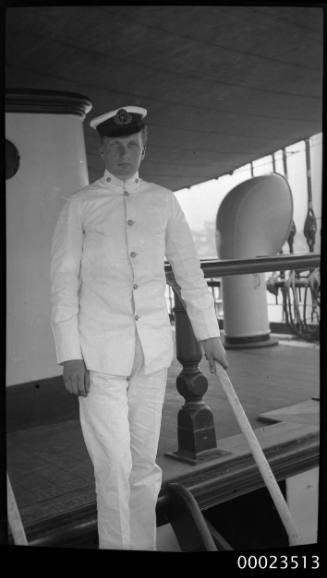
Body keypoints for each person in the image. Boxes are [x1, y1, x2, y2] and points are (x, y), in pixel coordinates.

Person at [50, 105, 228, 551]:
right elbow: (62, 282)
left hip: (150, 357)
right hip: (98, 361)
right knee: (112, 469)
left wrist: (209, 333)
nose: (124, 153)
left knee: (144, 467)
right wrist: (69, 353)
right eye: (115, 146)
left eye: (132, 146)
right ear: (102, 150)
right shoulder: (80, 205)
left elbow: (188, 270)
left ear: (143, 150)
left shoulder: (163, 200)